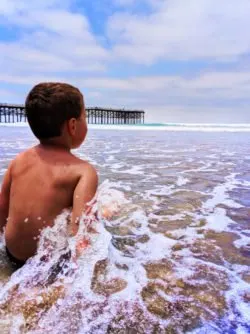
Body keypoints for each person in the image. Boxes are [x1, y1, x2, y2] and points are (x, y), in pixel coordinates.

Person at [0, 82, 98, 269]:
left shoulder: (18, 161)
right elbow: (83, 237)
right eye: (85, 117)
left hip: (12, 256)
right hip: (48, 265)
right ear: (72, 125)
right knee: (104, 213)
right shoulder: (82, 171)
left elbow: (2, 210)